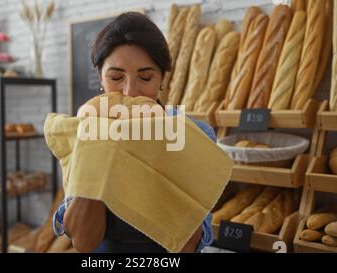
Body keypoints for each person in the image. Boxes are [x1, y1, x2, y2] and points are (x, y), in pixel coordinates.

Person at [53, 12, 215, 253]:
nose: (130, 91)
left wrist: (165, 163)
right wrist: (99, 150)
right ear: (100, 78)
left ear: (161, 79)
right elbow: (84, 243)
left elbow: (187, 247)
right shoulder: (83, 130)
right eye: (116, 77)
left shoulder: (193, 135)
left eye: (146, 77)